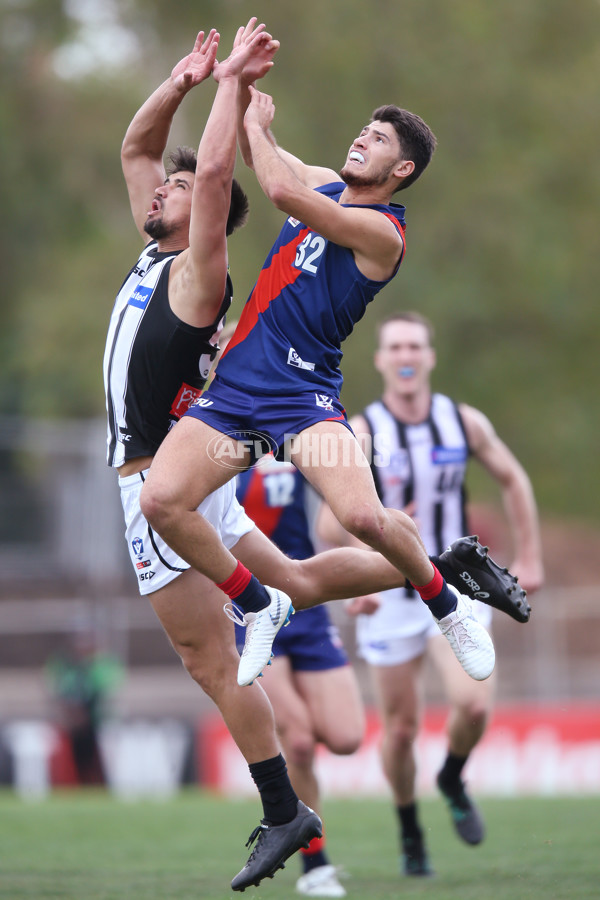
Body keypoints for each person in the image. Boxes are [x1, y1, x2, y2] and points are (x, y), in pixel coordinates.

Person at [104, 23, 482, 893]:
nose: (159, 188)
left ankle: (284, 809)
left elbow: (246, 179)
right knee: (304, 581)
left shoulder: (199, 265)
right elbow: (138, 147)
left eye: (178, 188)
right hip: (228, 427)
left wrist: (240, 96)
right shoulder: (150, 247)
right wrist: (193, 80)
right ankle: (437, 568)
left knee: (213, 659)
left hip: (216, 447)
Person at [141, 64, 529, 712]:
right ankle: (257, 601)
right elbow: (252, 146)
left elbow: (282, 192)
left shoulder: (383, 233)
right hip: (234, 396)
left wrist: (260, 131)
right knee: (162, 502)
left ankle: (445, 601)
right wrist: (234, 77)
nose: (361, 140)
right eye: (364, 131)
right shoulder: (326, 181)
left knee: (361, 518)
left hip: (302, 401)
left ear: (401, 171)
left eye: (378, 140)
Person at [319, 311, 544, 877]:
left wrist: (531, 554)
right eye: (394, 346)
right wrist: (364, 566)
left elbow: (513, 478)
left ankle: (450, 776)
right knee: (400, 728)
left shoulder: (461, 422)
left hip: (458, 586)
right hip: (391, 594)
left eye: (414, 344)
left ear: (430, 356)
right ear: (381, 359)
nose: (405, 355)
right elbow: (328, 522)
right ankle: (410, 829)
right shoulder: (363, 432)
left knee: (471, 702)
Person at [236, 452, 360, 898]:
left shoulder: (296, 432)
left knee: (347, 737)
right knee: (301, 742)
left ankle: (297, 754)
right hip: (248, 608)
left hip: (305, 604)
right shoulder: (208, 441)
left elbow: (339, 504)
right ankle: (316, 864)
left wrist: (364, 559)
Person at [45, 626, 123, 785]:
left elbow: (102, 692)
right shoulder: (65, 665)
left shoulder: (100, 664)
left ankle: (97, 783)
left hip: (94, 723)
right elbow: (57, 691)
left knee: (95, 761)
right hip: (73, 725)